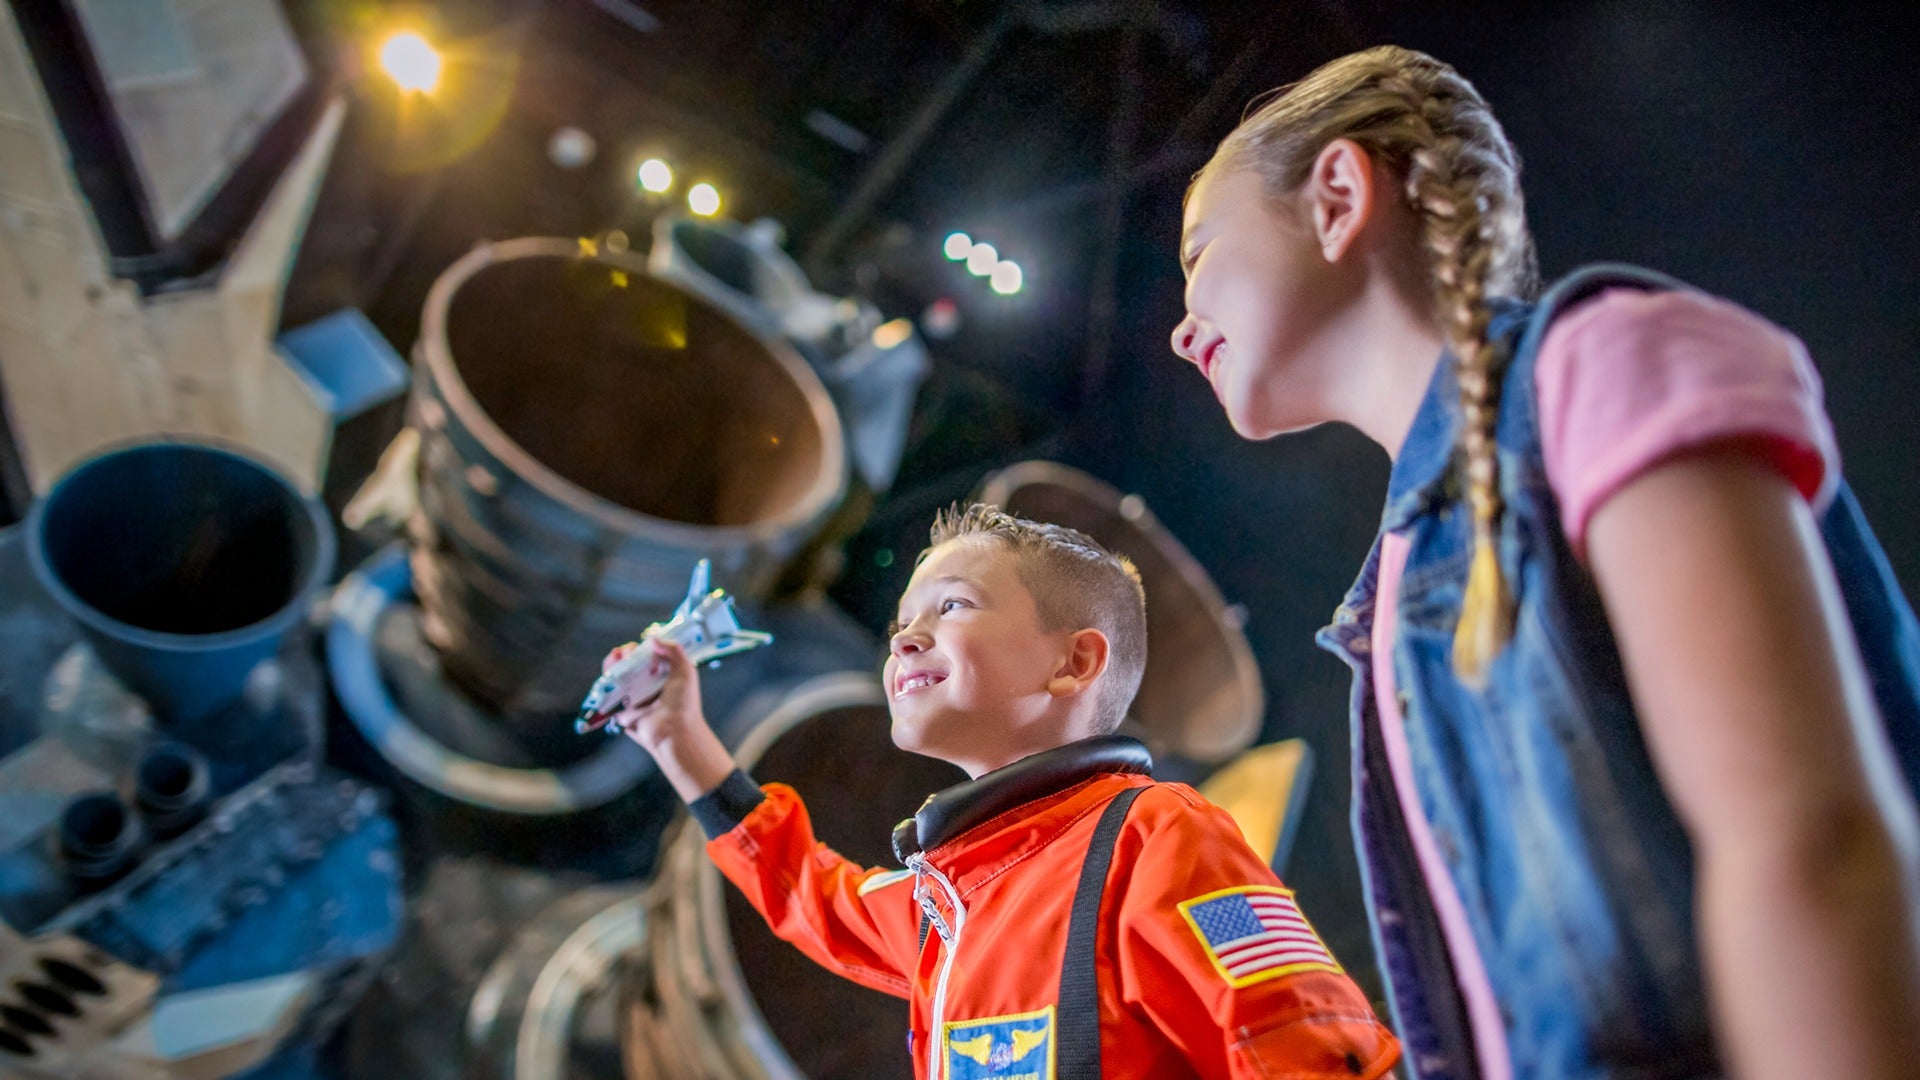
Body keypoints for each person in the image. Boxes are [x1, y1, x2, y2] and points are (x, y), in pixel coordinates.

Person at [1168, 43, 1920, 1080]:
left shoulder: (1598, 363)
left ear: (1338, 195)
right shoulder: (1387, 589)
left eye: (1199, 252)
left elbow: (1809, 846)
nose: (1177, 327)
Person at [601, 503, 1401, 1078]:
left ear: (1074, 664)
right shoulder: (948, 902)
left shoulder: (1161, 837)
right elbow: (808, 894)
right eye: (900, 624)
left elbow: (1316, 1047)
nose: (906, 635)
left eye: (951, 607)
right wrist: (676, 740)